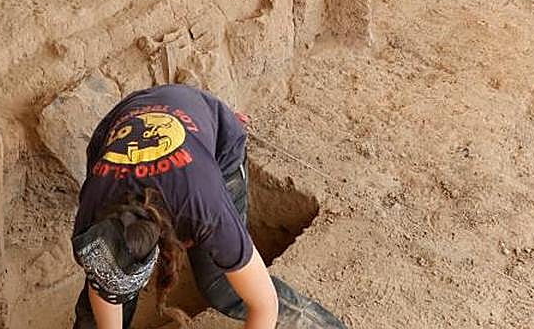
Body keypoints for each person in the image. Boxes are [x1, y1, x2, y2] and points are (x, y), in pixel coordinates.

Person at [71, 84, 347, 329]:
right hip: (136, 114)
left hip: (213, 144)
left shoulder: (205, 210)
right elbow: (106, 289)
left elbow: (265, 305)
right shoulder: (91, 221)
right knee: (98, 311)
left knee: (223, 287)